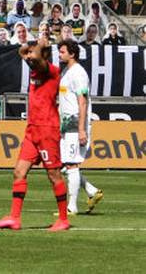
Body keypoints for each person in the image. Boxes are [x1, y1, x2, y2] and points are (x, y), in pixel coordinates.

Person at [0, 36, 69, 231]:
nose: (30, 57)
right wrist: (32, 43)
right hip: (32, 129)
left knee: (54, 175)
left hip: (47, 130)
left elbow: (35, 57)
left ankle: (63, 219)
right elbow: (22, 52)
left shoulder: (50, 70)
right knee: (18, 171)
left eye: (35, 52)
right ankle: (14, 218)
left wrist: (42, 44)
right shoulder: (35, 67)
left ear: (43, 55)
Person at [57, 40, 103, 216]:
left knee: (71, 164)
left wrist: (82, 129)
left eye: (62, 52)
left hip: (75, 124)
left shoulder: (78, 73)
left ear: (72, 54)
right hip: (67, 123)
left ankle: (72, 206)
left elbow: (82, 102)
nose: (59, 54)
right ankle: (91, 191)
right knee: (64, 165)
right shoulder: (67, 72)